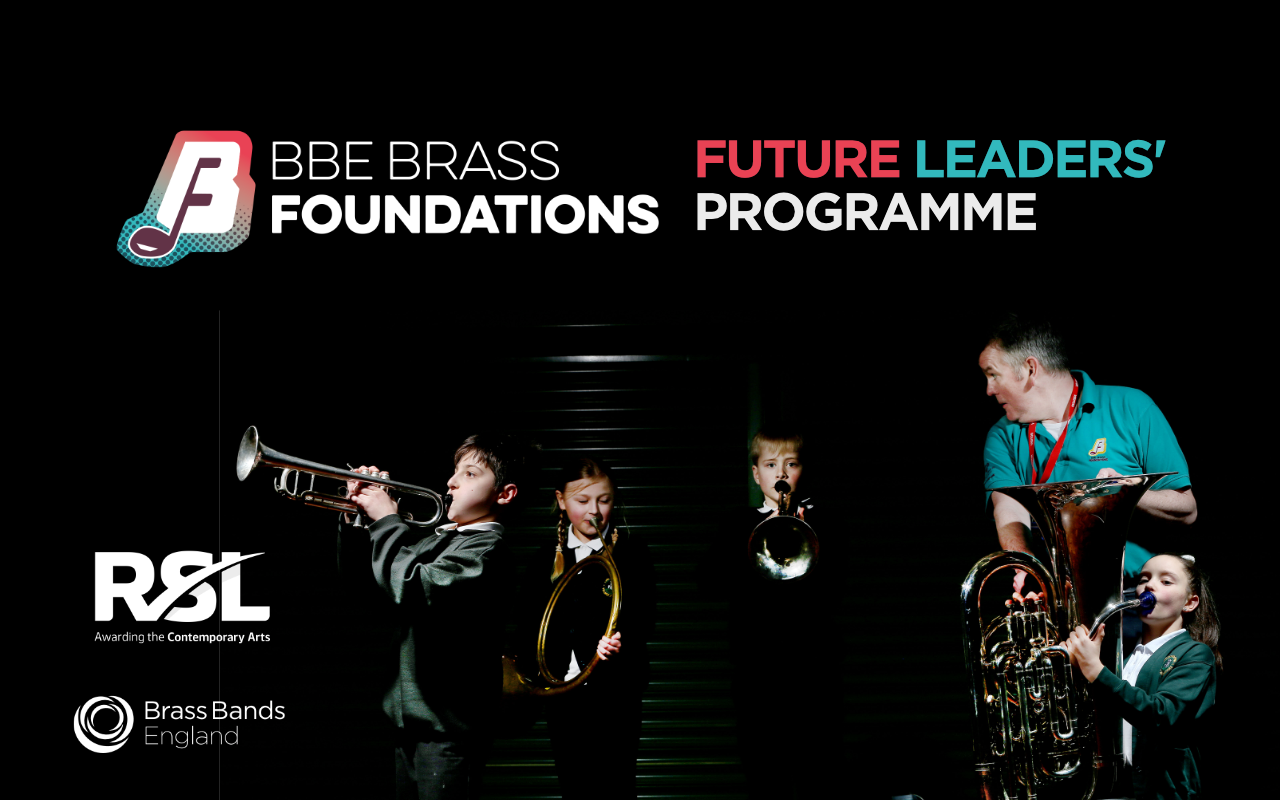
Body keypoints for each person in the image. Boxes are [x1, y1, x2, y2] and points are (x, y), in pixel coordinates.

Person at [337, 433, 536, 800]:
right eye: (454, 471)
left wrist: (386, 521)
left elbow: (412, 587)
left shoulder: (487, 552)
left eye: (471, 474)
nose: (451, 482)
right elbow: (365, 589)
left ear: (505, 494)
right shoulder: (435, 540)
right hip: (406, 724)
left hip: (447, 733)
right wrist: (358, 517)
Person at [979, 314, 1196, 595]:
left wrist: (1129, 491)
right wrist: (1027, 569)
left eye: (993, 374)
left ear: (1030, 368)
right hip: (1059, 598)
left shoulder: (1132, 407)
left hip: (1141, 597)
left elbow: (1187, 510)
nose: (989, 389)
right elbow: (1008, 508)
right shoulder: (1002, 435)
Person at [712, 428, 834, 800]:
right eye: (770, 465)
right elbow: (709, 581)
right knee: (763, 775)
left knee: (815, 772)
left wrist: (810, 530)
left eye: (790, 464)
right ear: (756, 474)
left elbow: (838, 583)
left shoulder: (823, 522)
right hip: (756, 671)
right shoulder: (738, 524)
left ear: (802, 471)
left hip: (812, 669)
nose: (780, 474)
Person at [524, 456, 654, 800]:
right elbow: (531, 621)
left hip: (616, 692)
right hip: (562, 692)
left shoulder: (633, 553)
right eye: (582, 501)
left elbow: (645, 618)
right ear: (561, 501)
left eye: (604, 500)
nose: (593, 511)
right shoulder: (542, 558)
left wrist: (620, 640)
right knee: (573, 785)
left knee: (617, 784)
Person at [1062, 553, 1220, 799]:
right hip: (1119, 789)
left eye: (1166, 581)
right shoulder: (1124, 659)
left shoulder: (1195, 653)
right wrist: (1074, 668)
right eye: (1143, 579)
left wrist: (1095, 670)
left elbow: (1163, 714)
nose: (1149, 586)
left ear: (1190, 603)